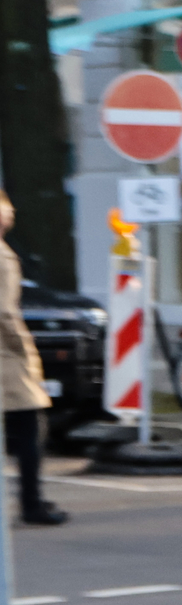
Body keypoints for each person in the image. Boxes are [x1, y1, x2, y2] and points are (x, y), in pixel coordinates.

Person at [0, 192, 66, 527]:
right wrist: (22, 348)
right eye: (7, 208)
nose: (11, 213)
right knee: (30, 429)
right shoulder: (3, 257)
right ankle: (32, 504)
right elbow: (6, 312)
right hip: (6, 360)